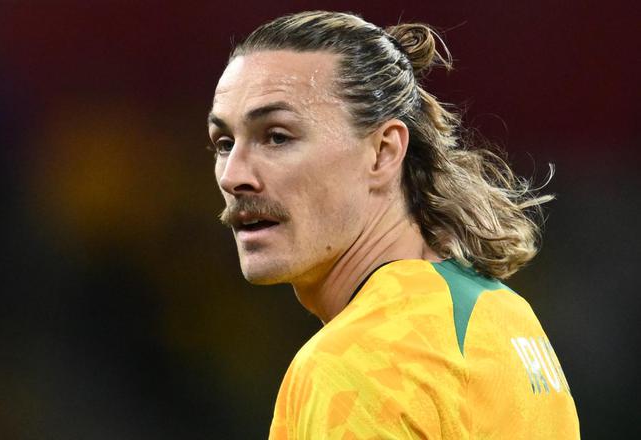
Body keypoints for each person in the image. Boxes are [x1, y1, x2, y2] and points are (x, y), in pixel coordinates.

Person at [207, 10, 579, 439]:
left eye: (277, 136)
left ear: (383, 152)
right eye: (224, 143)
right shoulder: (505, 315)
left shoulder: (353, 364)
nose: (233, 176)